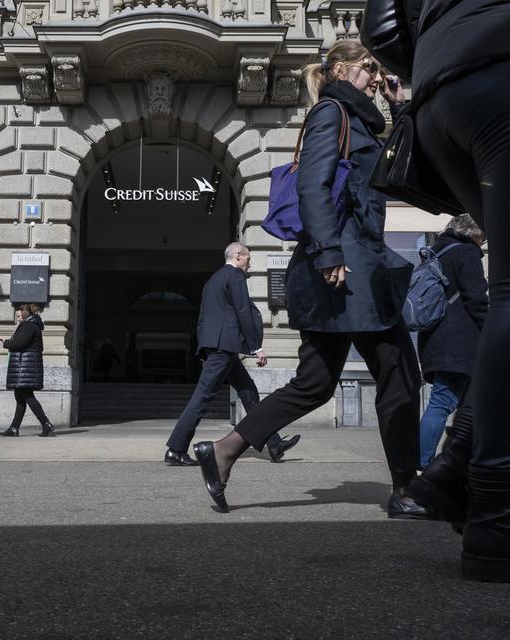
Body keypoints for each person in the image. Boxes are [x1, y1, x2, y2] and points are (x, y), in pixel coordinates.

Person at [193, 40, 431, 519]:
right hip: (347, 270)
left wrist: (399, 103)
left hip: (354, 268)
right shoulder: (331, 114)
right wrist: (326, 252)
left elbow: (403, 166)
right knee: (399, 376)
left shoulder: (361, 119)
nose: (375, 74)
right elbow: (312, 185)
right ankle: (406, 489)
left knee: (314, 383)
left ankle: (222, 451)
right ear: (342, 69)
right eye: (368, 67)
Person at [364, 0, 510, 582]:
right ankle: (495, 513)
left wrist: (437, 59)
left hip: (441, 102)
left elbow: (381, 26)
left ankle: (455, 474)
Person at [164, 242, 300, 466]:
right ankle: (176, 449)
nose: (250, 263)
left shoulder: (212, 281)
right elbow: (243, 311)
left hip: (219, 347)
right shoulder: (235, 276)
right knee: (201, 398)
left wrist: (204, 348)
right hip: (224, 348)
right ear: (238, 256)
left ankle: (274, 444)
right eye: (248, 258)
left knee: (249, 393)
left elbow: (202, 319)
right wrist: (256, 346)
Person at [418, 215, 487, 468]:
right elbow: (477, 299)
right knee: (443, 402)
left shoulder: (435, 252)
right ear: (473, 233)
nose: (485, 241)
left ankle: (459, 463)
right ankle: (422, 465)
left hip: (434, 340)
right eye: (483, 235)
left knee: (466, 405)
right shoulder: (466, 253)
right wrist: (492, 329)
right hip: (458, 344)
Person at [0, 304, 54, 437]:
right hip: (25, 368)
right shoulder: (31, 325)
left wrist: (6, 342)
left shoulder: (29, 325)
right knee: (20, 397)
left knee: (27, 396)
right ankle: (14, 427)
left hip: (25, 368)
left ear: (26, 311)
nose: (18, 314)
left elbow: (19, 343)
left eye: (20, 311)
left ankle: (46, 423)